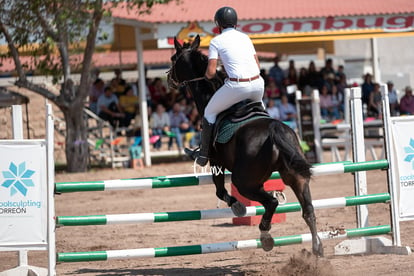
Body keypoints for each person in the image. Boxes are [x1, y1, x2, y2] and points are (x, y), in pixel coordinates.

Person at [185, 6, 265, 166]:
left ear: (218, 24)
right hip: (258, 85)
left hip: (238, 87)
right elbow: (257, 64)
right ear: (235, 23)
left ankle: (203, 155)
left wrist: (217, 70)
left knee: (209, 112)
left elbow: (211, 73)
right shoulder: (245, 37)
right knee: (261, 112)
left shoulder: (216, 41)